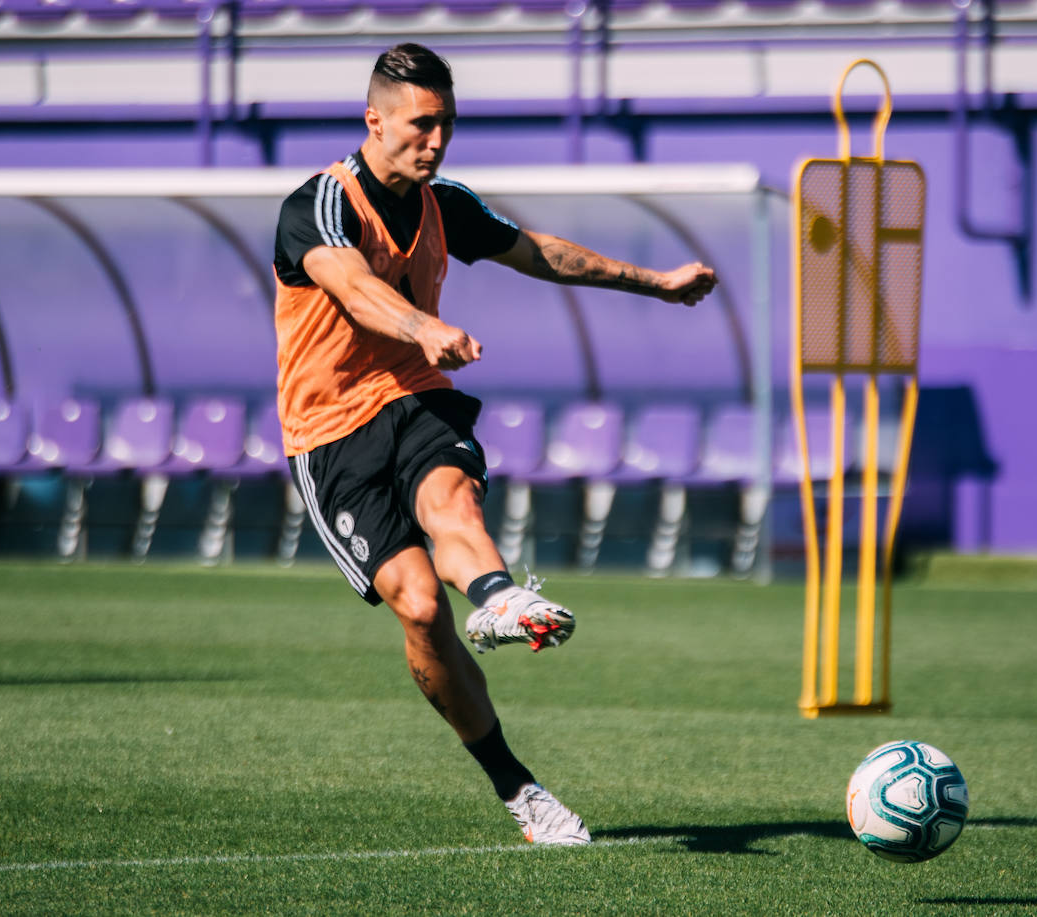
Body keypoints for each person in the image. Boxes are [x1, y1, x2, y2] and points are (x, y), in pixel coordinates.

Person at [271, 42, 718, 846]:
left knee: (449, 491)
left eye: (446, 125)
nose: (435, 142)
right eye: (420, 125)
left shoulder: (449, 204)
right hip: (329, 431)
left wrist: (655, 281)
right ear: (374, 120)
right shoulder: (320, 203)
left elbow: (540, 252)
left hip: (417, 398)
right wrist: (423, 324)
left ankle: (500, 597)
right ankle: (518, 787)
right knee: (414, 603)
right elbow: (351, 285)